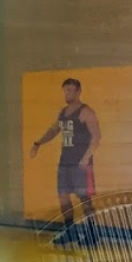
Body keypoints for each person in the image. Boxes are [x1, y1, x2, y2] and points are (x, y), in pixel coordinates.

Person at [29, 78, 101, 244]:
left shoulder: (86, 112)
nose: (67, 94)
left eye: (70, 90)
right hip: (65, 162)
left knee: (85, 198)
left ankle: (92, 234)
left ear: (78, 92)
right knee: (63, 197)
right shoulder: (62, 113)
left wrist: (85, 158)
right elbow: (53, 130)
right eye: (65, 90)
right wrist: (38, 143)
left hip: (81, 163)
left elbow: (96, 137)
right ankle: (70, 231)